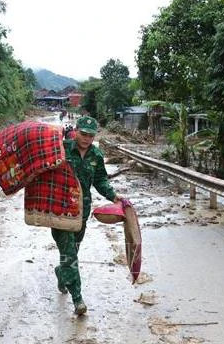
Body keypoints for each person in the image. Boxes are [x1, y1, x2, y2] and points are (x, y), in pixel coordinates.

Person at [53, 116, 125, 315]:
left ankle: (62, 273)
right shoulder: (62, 148)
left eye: (91, 135)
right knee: (70, 255)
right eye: (83, 134)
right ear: (75, 131)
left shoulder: (96, 155)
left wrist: (114, 196)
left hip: (81, 212)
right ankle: (78, 299)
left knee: (72, 252)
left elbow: (100, 180)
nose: (86, 139)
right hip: (60, 210)